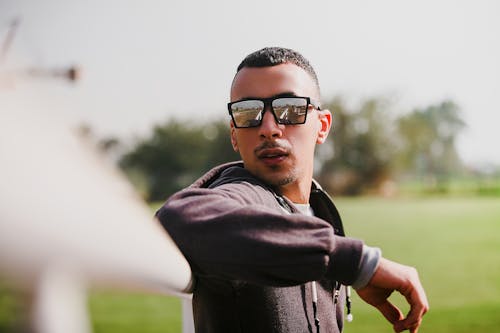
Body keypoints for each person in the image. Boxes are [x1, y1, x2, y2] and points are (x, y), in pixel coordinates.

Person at [156, 47, 429, 333]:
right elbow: (177, 222)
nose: (269, 128)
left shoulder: (319, 211)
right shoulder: (243, 197)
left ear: (322, 126)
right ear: (234, 135)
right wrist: (357, 263)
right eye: (249, 112)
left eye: (290, 109)